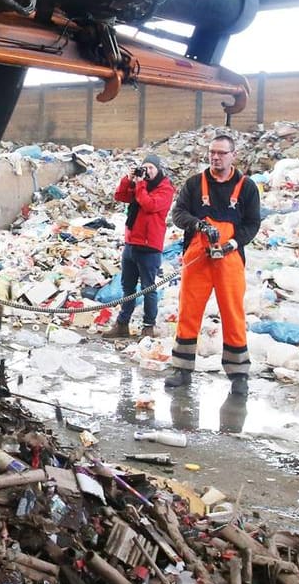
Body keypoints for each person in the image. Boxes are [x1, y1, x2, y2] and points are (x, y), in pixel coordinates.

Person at [165, 133, 262, 401]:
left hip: (229, 258)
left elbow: (253, 223)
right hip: (198, 255)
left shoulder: (247, 187)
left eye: (221, 153)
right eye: (212, 152)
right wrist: (198, 224)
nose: (215, 157)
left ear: (233, 155)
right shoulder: (195, 184)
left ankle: (239, 375)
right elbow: (178, 213)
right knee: (189, 311)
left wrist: (233, 243)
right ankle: (182, 369)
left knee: (233, 313)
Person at [108, 153, 173, 338]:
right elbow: (120, 196)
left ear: (158, 169)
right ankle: (122, 324)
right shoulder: (138, 186)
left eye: (151, 168)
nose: (147, 171)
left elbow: (150, 205)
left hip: (149, 246)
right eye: (145, 167)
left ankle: (148, 327)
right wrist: (128, 180)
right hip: (131, 243)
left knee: (148, 288)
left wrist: (140, 184)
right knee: (127, 287)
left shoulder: (165, 189)